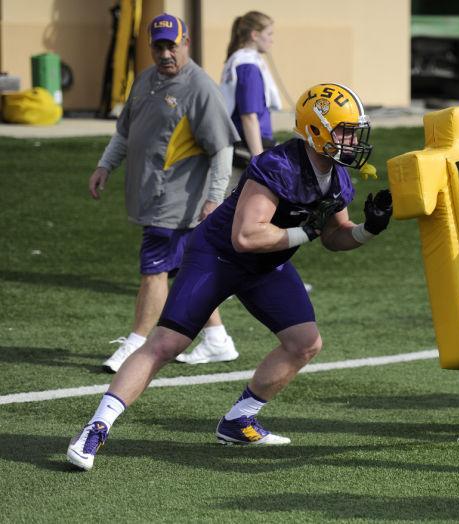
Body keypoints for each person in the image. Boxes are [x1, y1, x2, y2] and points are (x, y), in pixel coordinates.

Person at [67, 82, 393, 471]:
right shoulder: (279, 166)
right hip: (218, 256)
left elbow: (333, 237)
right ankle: (96, 426)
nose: (353, 140)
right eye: (345, 130)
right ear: (317, 129)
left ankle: (239, 420)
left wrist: (367, 230)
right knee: (166, 343)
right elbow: (246, 235)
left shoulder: (337, 177)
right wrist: (305, 231)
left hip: (266, 266)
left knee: (304, 343)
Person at [89, 13, 240, 372]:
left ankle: (136, 343)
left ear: (185, 42)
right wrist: (104, 165)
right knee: (191, 269)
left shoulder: (200, 87)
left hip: (175, 200)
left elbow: (222, 149)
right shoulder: (145, 80)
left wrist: (214, 197)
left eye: (172, 45)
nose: (165, 53)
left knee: (153, 270)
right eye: (158, 46)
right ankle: (218, 340)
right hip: (150, 195)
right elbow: (124, 132)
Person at [219, 11, 280, 193]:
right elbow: (248, 116)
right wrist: (258, 159)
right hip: (246, 149)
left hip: (244, 145)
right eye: (269, 34)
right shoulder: (248, 65)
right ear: (254, 35)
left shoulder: (240, 60)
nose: (271, 40)